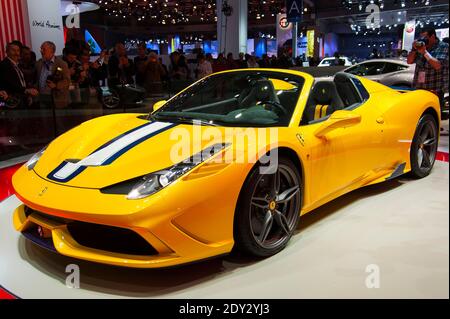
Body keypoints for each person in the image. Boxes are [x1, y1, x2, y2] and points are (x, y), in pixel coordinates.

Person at [407, 28, 449, 114]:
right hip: (419, 88)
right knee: (418, 114)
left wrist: (424, 52)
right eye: (421, 39)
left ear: (432, 36)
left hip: (435, 88)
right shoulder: (420, 48)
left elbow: (438, 65)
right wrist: (414, 50)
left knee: (433, 115)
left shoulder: (444, 46)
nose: (423, 41)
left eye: (425, 38)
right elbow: (409, 61)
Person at [0, 42, 39, 107]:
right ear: (7, 52)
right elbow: (10, 83)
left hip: (21, 101)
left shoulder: (18, 65)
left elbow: (22, 82)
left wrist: (28, 94)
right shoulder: (3, 65)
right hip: (10, 102)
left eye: (18, 50)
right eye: (13, 50)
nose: (16, 53)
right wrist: (26, 90)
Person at [35, 41, 70, 108]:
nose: (41, 51)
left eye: (43, 49)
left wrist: (56, 85)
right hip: (42, 98)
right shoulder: (39, 63)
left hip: (56, 99)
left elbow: (67, 81)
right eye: (41, 49)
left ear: (51, 51)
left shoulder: (62, 64)